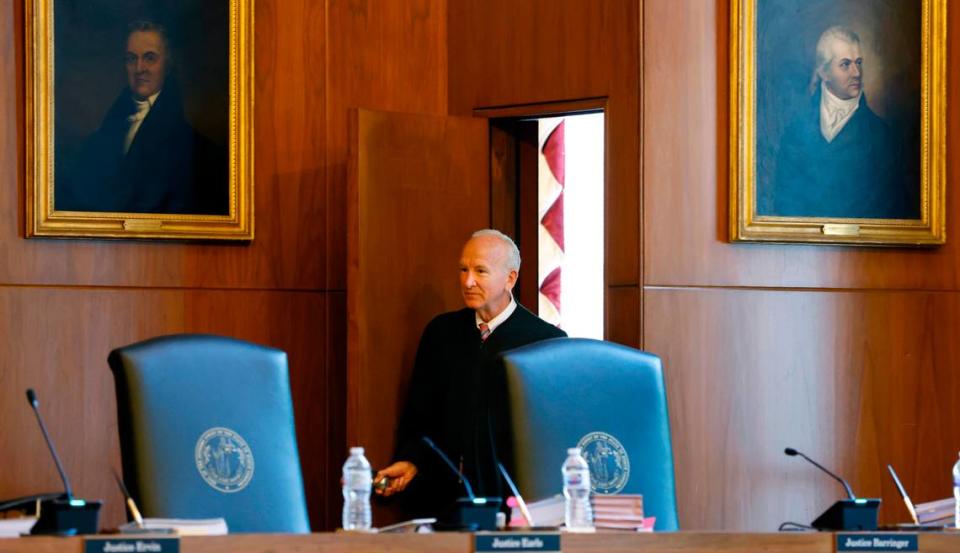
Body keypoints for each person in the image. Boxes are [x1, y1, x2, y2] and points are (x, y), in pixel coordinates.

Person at [374, 229, 567, 518]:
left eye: (480, 271)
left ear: (510, 279)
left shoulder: (545, 342)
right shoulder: (441, 332)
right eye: (463, 269)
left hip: (513, 506)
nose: (467, 281)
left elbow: (548, 437)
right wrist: (412, 461)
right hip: (444, 501)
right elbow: (419, 417)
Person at [56, 20, 227, 214]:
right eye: (131, 59)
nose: (139, 68)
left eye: (150, 58)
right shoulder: (104, 135)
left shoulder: (197, 149)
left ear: (167, 64)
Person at [766, 25, 918, 219]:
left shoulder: (883, 137)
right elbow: (785, 203)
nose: (856, 73)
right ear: (824, 73)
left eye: (859, 62)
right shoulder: (795, 132)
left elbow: (893, 210)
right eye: (845, 64)